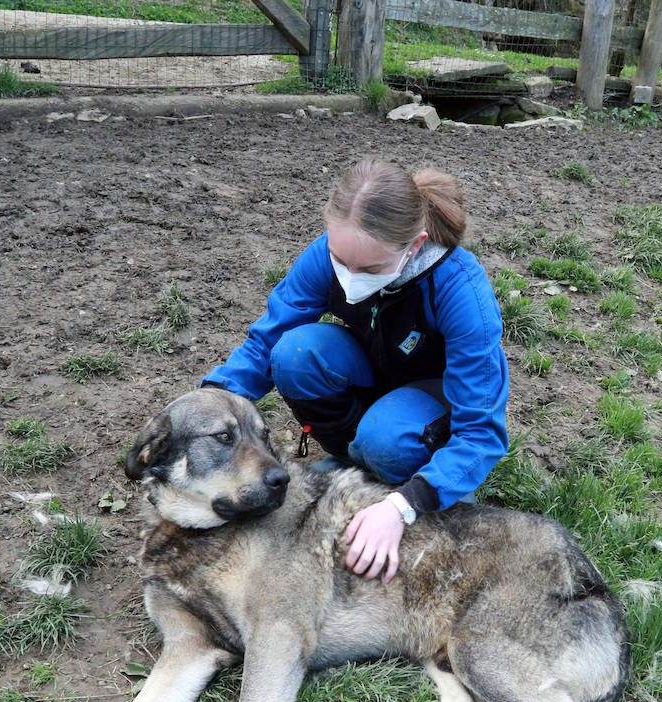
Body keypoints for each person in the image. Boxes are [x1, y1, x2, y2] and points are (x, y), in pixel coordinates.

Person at [202, 159, 509, 583]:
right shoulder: (330, 254)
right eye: (339, 259)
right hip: (374, 373)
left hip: (436, 395)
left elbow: (482, 432)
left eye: (370, 269)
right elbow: (269, 337)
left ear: (415, 246)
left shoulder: (461, 291)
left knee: (389, 438)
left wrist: (403, 506)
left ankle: (422, 484)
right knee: (295, 353)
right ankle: (352, 461)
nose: (348, 278)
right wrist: (211, 399)